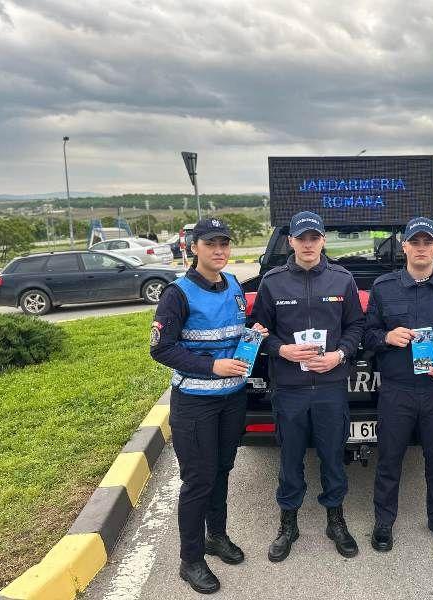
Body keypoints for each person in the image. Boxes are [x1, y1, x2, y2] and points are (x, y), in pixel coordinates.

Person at [150, 217, 268, 595]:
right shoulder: (178, 294)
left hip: (232, 399)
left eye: (224, 244)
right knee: (198, 480)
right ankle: (191, 559)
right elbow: (161, 349)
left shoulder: (233, 284)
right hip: (196, 403)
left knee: (221, 470)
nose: (219, 251)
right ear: (193, 247)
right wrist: (211, 366)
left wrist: (253, 335)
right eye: (210, 244)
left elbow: (233, 332)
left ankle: (216, 537)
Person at [249, 211, 365, 562]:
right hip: (290, 387)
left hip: (330, 385)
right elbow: (259, 332)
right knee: (290, 458)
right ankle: (289, 524)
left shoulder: (342, 279)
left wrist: (339, 355)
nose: (309, 244)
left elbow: (356, 327)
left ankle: (336, 520)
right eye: (302, 238)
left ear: (323, 240)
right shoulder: (272, 282)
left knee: (333, 456)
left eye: (314, 238)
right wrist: (281, 350)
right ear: (291, 242)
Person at [363, 217, 433, 552]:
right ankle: (384, 522)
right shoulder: (384, 287)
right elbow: (367, 335)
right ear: (405, 247)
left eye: (428, 242)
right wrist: (386, 336)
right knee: (389, 460)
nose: (422, 248)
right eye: (415, 242)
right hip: (397, 389)